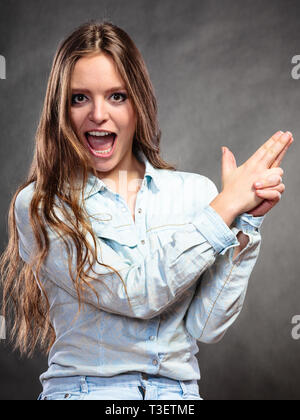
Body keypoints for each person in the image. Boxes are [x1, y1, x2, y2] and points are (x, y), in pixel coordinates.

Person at [0, 21, 292, 401]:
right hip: (86, 392)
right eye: (79, 98)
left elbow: (207, 325)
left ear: (138, 103)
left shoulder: (194, 193)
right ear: (60, 110)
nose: (98, 114)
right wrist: (226, 206)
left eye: (117, 96)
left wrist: (246, 220)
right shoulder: (42, 204)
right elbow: (136, 293)